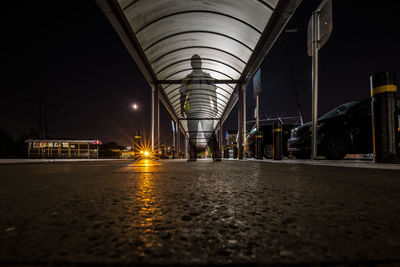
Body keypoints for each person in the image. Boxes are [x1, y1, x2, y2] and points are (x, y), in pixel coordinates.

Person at [180, 54, 217, 160]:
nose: (195, 64)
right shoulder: (203, 77)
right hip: (201, 110)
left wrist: (182, 107)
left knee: (198, 134)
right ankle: (215, 154)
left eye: (196, 62)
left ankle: (193, 156)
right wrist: (215, 106)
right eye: (194, 62)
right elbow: (213, 92)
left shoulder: (192, 78)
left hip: (197, 110)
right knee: (206, 134)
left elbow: (183, 94)